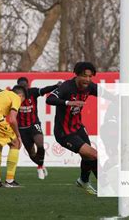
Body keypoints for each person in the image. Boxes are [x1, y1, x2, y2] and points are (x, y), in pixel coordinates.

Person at [0, 77, 61, 179]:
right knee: (32, 153)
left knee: (40, 144)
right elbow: (0, 92)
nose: (24, 88)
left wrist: (56, 86)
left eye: (25, 86)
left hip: (34, 124)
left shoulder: (33, 92)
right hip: (21, 128)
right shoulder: (13, 94)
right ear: (18, 86)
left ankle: (39, 167)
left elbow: (44, 89)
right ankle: (41, 164)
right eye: (22, 86)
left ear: (28, 85)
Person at [46, 62, 99, 195]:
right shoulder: (67, 87)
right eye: (84, 76)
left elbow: (109, 95)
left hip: (78, 128)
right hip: (64, 132)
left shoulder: (89, 86)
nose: (87, 79)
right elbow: (50, 99)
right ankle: (108, 186)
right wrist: (68, 102)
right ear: (76, 75)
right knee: (93, 154)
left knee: (88, 157)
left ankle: (83, 181)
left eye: (90, 76)